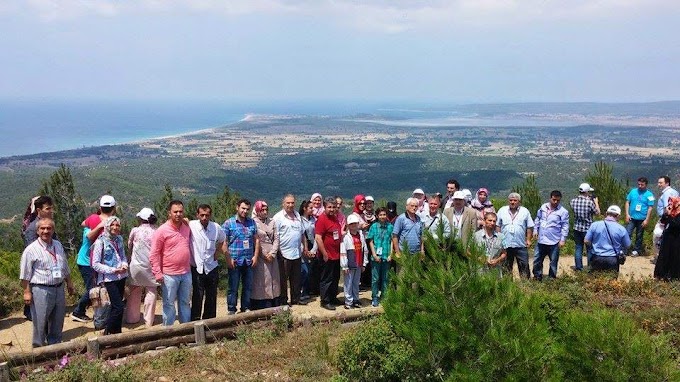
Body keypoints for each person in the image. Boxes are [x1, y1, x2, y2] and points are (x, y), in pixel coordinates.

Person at [20, 218, 75, 347]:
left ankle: (55, 347)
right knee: (40, 321)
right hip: (41, 289)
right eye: (42, 228)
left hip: (59, 288)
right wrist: (27, 292)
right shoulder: (31, 250)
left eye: (49, 228)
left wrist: (69, 283)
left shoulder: (57, 245)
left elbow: (64, 265)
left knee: (58, 320)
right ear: (37, 231)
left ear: (53, 230)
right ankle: (38, 349)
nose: (46, 231)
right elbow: (25, 273)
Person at [72, 195, 116, 323]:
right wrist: (101, 225)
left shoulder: (92, 218)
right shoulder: (106, 223)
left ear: (100, 207)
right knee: (94, 288)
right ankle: (79, 311)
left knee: (96, 286)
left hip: (87, 259)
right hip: (87, 261)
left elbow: (83, 223)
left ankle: (84, 311)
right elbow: (91, 237)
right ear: (114, 208)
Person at [150, 200, 192, 325]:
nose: (178, 214)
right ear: (169, 213)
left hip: (186, 272)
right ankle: (168, 334)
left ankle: (186, 332)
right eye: (175, 212)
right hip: (169, 274)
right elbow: (154, 253)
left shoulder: (186, 227)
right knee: (169, 304)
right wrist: (157, 272)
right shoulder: (162, 230)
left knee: (185, 303)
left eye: (180, 211)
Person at [91, 216, 128, 335]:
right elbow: (95, 264)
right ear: (107, 226)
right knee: (118, 307)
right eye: (112, 225)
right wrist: (113, 270)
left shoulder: (119, 239)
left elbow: (122, 256)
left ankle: (117, 333)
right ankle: (106, 332)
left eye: (117, 225)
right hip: (109, 279)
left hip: (121, 277)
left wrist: (124, 265)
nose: (115, 227)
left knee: (117, 306)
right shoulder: (100, 242)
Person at [189, 204, 226, 320]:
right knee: (197, 296)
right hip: (197, 266)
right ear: (197, 215)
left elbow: (223, 240)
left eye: (207, 215)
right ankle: (195, 321)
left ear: (210, 215)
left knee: (211, 296)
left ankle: (209, 322)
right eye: (202, 215)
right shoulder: (192, 225)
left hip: (211, 266)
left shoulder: (216, 227)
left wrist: (217, 254)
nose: (204, 218)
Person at [21, 195, 55, 321]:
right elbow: (31, 251)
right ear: (39, 210)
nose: (50, 211)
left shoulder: (49, 224)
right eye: (48, 208)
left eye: (51, 208)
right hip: (37, 270)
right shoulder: (32, 228)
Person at [223, 199, 259, 314]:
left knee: (247, 286)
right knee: (233, 287)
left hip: (248, 260)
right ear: (237, 207)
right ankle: (231, 309)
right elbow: (223, 242)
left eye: (247, 209)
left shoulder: (252, 222)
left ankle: (245, 307)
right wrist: (228, 259)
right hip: (235, 260)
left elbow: (256, 240)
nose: (245, 211)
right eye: (243, 208)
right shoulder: (229, 223)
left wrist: (256, 256)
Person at [125, 207, 159, 327]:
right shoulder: (157, 231)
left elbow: (130, 246)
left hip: (136, 265)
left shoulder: (135, 230)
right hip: (151, 265)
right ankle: (149, 320)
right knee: (151, 290)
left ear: (141, 218)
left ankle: (132, 318)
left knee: (134, 290)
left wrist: (128, 260)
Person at [273, 194, 307, 306]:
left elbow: (302, 234)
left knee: (296, 278)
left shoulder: (297, 215)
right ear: (283, 203)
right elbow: (274, 236)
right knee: (283, 279)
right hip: (283, 253)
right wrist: (277, 251)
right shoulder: (278, 217)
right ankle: (283, 300)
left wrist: (304, 248)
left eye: (292, 203)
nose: (290, 205)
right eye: (288, 203)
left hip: (296, 252)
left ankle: (295, 298)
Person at [533, 190, 570, 280]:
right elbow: (538, 218)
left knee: (553, 261)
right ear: (550, 198)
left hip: (554, 241)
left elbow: (565, 226)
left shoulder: (563, 211)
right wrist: (535, 230)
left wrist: (562, 240)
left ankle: (551, 279)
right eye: (554, 200)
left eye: (558, 200)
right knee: (537, 260)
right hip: (541, 239)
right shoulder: (543, 207)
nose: (556, 202)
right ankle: (537, 277)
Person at [496, 193, 534, 279]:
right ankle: (508, 285)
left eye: (515, 200)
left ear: (519, 202)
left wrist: (528, 239)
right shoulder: (502, 210)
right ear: (508, 201)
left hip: (520, 244)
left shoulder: (525, 211)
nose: (512, 202)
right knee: (506, 266)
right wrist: (499, 239)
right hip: (505, 244)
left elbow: (529, 226)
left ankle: (525, 285)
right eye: (511, 200)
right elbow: (498, 225)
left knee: (524, 265)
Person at [585, 205, 630, 276]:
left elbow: (586, 241)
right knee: (611, 283)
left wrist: (593, 248)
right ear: (618, 216)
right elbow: (627, 245)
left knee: (595, 281)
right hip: (613, 259)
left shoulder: (594, 225)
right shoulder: (621, 229)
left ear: (606, 213)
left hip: (597, 257)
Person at [251, 201, 281, 310]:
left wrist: (273, 253)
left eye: (266, 210)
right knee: (262, 278)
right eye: (262, 210)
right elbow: (255, 240)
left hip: (272, 253)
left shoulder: (272, 222)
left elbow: (277, 238)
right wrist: (263, 255)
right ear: (257, 211)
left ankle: (275, 300)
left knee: (274, 278)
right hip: (260, 254)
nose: (264, 212)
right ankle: (262, 302)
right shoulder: (253, 222)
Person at [315, 196, 343, 311]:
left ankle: (333, 297)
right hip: (327, 255)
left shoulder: (335, 218)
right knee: (327, 278)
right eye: (329, 207)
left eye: (333, 207)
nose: (331, 209)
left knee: (335, 277)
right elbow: (318, 238)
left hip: (336, 254)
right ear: (324, 207)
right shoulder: (322, 219)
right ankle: (325, 300)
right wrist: (324, 253)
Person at [569, 183, 600, 271]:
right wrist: (596, 203)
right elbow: (597, 213)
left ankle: (579, 267)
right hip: (588, 228)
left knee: (578, 247)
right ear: (586, 192)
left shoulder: (573, 201)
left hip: (576, 227)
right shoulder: (589, 202)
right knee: (589, 249)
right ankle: (590, 267)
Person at [367, 207, 393, 307]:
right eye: (381, 215)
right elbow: (370, 241)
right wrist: (374, 254)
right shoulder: (374, 226)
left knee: (386, 278)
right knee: (375, 278)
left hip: (386, 256)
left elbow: (391, 241)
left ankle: (384, 297)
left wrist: (391, 254)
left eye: (384, 214)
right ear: (377, 216)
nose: (383, 216)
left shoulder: (390, 227)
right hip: (376, 257)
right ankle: (374, 297)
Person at [340, 214, 368, 309]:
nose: (353, 226)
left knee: (356, 283)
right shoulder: (345, 237)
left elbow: (365, 250)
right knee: (348, 283)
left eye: (355, 224)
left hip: (359, 263)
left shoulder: (361, 235)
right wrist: (344, 265)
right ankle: (348, 301)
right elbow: (343, 252)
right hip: (350, 264)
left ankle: (356, 299)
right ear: (348, 225)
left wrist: (364, 263)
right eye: (351, 224)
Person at [625, 177, 655, 257]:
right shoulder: (633, 191)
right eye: (639, 184)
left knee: (639, 235)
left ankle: (636, 250)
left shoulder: (649, 194)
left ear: (646, 185)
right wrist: (627, 214)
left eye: (642, 184)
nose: (640, 186)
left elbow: (650, 207)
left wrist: (647, 219)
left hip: (642, 218)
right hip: (632, 217)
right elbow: (627, 202)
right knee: (627, 233)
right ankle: (625, 249)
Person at [653, 176, 679, 262]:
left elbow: (667, 208)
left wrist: (663, 220)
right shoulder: (675, 192)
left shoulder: (667, 193)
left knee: (657, 237)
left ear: (667, 183)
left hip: (665, 219)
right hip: (675, 219)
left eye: (661, 183)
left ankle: (659, 258)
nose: (659, 184)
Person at [654, 196, 680, 281]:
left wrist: (670, 216)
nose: (670, 205)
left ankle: (672, 276)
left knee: (674, 256)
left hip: (676, 239)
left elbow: (676, 225)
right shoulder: (669, 212)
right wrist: (666, 214)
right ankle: (661, 274)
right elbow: (663, 221)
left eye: (672, 203)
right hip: (667, 238)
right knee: (664, 256)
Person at [300, 200, 319, 299]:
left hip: (313, 245)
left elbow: (317, 235)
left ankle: (312, 290)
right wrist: (305, 250)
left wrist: (314, 249)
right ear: (304, 208)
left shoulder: (314, 220)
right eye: (311, 208)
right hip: (303, 247)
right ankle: (304, 291)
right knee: (305, 270)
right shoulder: (299, 220)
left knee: (313, 270)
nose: (313, 210)